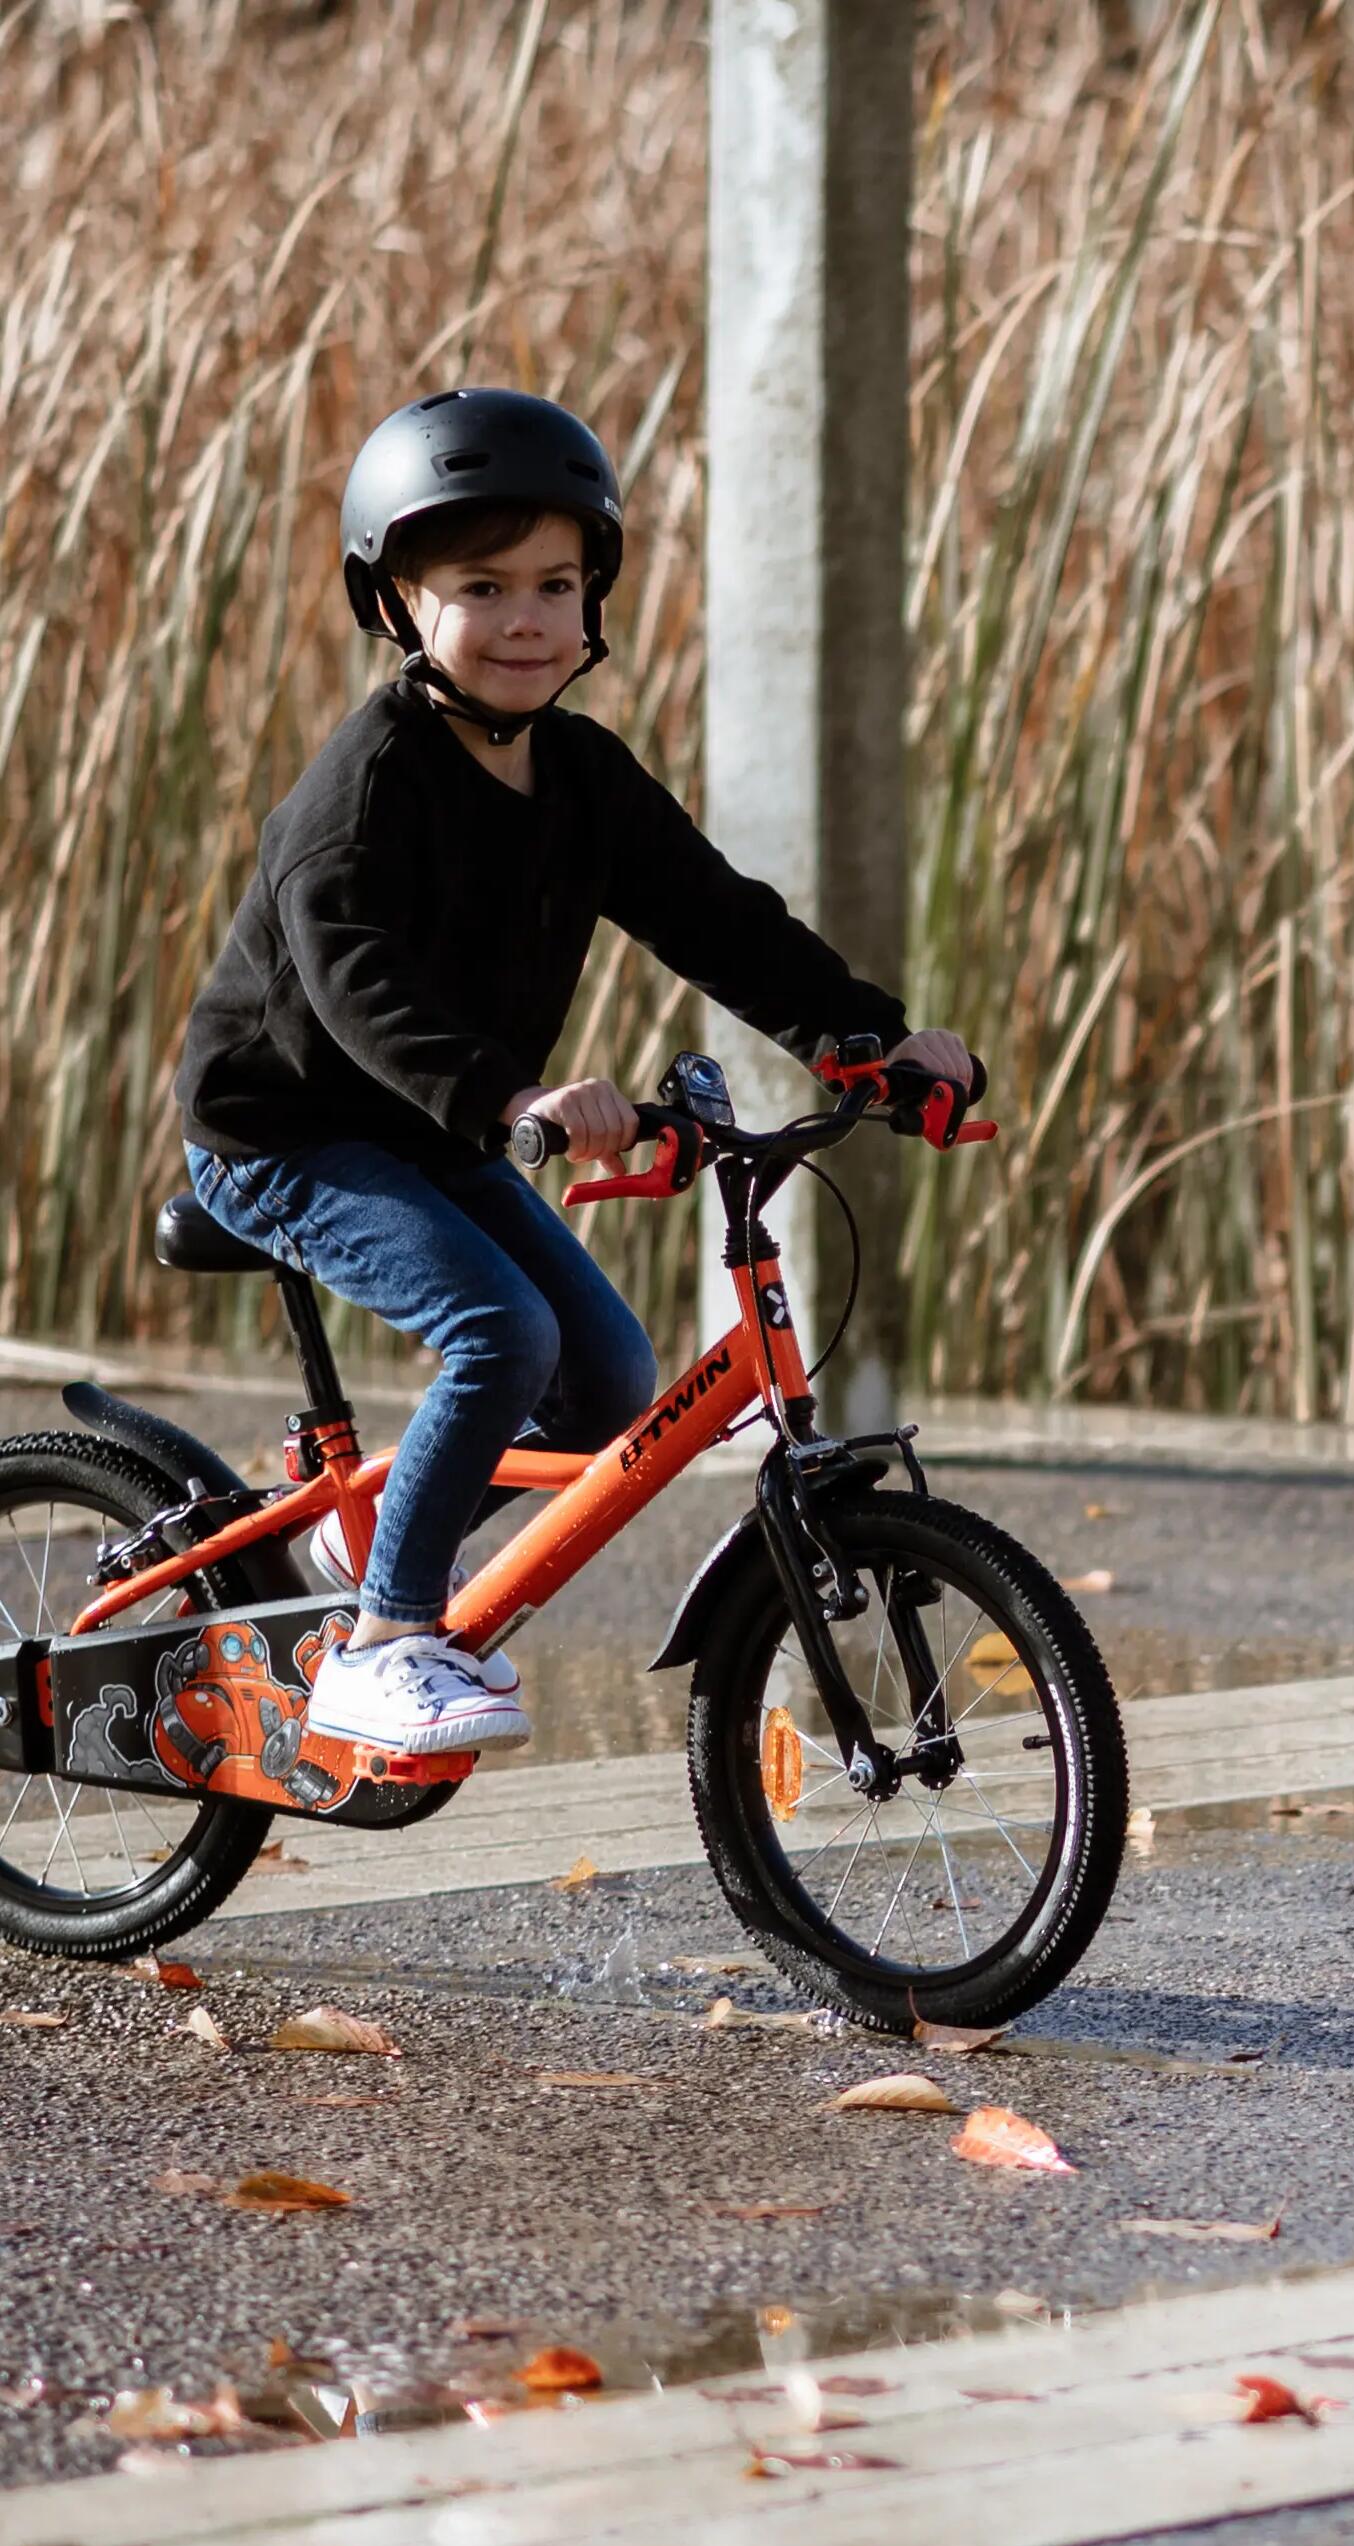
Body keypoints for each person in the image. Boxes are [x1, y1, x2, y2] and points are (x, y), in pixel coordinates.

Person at [173, 388, 972, 1757]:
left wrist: (864, 1040)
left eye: (555, 583)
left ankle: (366, 1549)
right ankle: (380, 1644)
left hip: (433, 1133)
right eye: (482, 588)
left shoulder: (582, 776)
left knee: (605, 1377)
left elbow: (721, 922)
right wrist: (514, 1097)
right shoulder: (368, 787)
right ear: (397, 604)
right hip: (286, 1133)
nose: (527, 619)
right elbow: (357, 982)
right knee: (504, 1331)